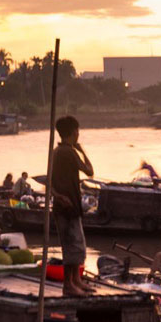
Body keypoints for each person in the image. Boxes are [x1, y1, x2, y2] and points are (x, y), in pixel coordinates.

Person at [48, 115, 95, 296]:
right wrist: (82, 150)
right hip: (66, 207)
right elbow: (90, 171)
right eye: (78, 131)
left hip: (71, 206)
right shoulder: (67, 152)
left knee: (77, 245)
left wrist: (57, 196)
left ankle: (76, 280)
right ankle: (69, 284)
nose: (78, 134)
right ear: (74, 132)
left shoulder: (58, 152)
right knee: (71, 246)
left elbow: (49, 180)